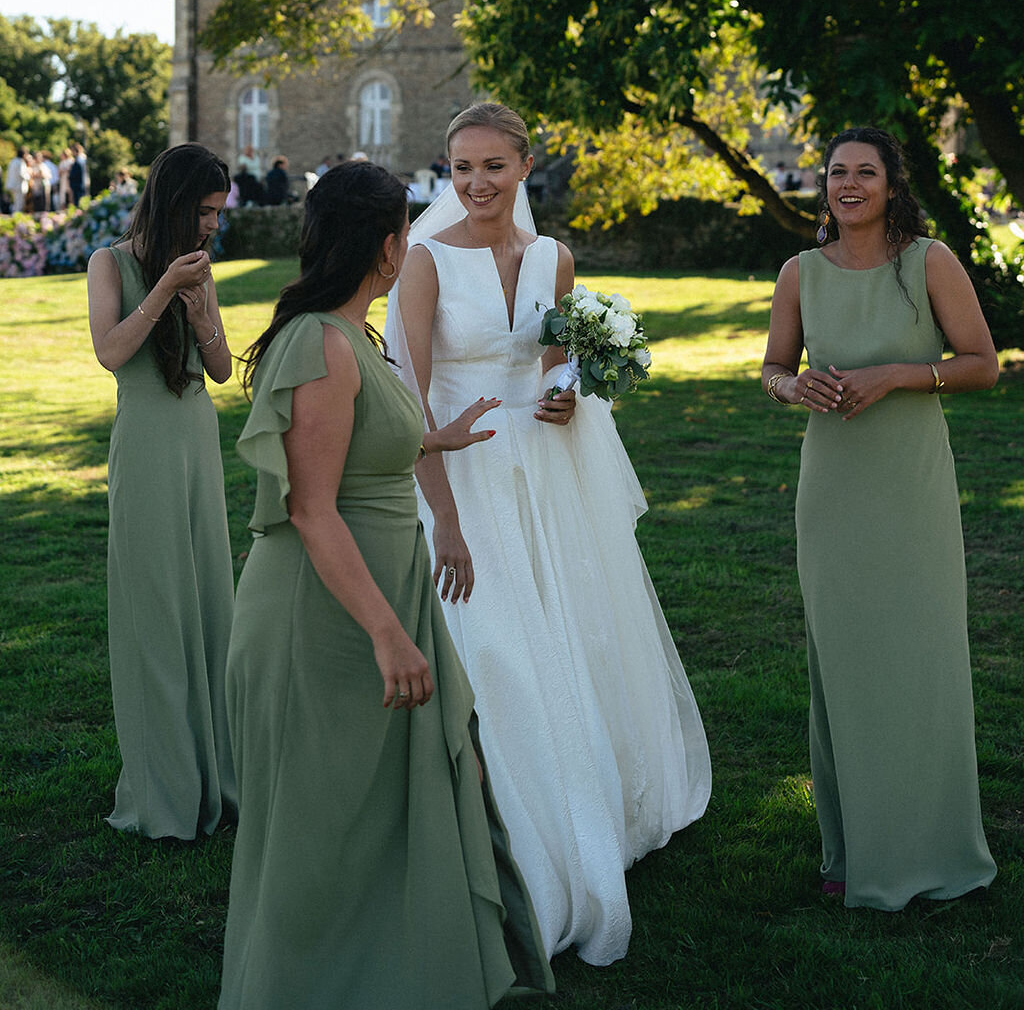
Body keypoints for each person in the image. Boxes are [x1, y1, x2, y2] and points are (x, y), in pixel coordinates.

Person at [219, 160, 552, 1010]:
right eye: (406, 232)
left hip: (379, 591)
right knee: (324, 823)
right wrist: (387, 634)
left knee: (416, 793)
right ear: (387, 245)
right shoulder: (320, 344)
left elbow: (359, 447)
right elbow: (313, 510)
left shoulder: (348, 334)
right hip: (327, 615)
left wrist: (434, 438)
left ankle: (401, 976)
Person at [390, 102, 712, 966]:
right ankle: (508, 828)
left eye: (492, 166)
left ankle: (595, 801)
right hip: (460, 473)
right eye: (461, 168)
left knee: (572, 626)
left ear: (525, 165)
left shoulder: (552, 259)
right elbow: (406, 401)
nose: (476, 184)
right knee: (493, 644)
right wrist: (446, 519)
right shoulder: (423, 264)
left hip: (543, 471)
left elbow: (552, 352)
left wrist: (566, 385)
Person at [761, 125, 998, 910]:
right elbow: (773, 367)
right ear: (822, 185)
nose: (849, 184)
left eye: (865, 172)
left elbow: (982, 365)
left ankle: (931, 843)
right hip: (834, 487)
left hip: (910, 486)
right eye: (836, 173)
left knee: (921, 654)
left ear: (893, 184)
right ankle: (852, 848)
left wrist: (899, 374)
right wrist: (792, 389)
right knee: (847, 660)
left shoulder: (929, 262)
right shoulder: (798, 272)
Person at [87, 143, 237, 839]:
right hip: (145, 443)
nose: (212, 225)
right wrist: (160, 292)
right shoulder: (109, 263)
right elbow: (112, 353)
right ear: (176, 203)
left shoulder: (201, 269)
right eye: (205, 212)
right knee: (156, 611)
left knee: (208, 602)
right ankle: (167, 788)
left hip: (195, 440)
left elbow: (219, 366)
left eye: (218, 213)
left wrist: (201, 301)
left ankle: (218, 773)